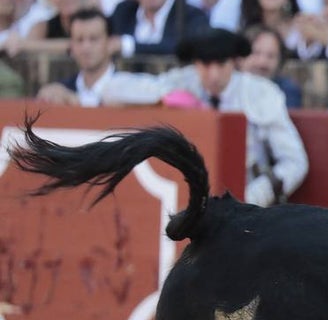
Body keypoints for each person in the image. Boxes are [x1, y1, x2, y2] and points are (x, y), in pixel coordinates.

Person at [101, 27, 309, 206]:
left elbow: (295, 161)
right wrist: (165, 97)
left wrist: (253, 196)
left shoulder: (260, 92)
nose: (213, 75)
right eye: (205, 65)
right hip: (190, 200)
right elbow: (111, 90)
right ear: (195, 64)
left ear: (234, 62)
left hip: (248, 202)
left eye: (221, 65)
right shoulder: (184, 81)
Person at [35, 6, 117, 105]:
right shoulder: (61, 89)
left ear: (110, 43)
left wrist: (79, 101)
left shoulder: (127, 87)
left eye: (94, 39)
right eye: (79, 40)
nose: (86, 47)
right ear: (71, 46)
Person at [239, 23, 303, 107]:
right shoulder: (227, 87)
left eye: (271, 56)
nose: (262, 62)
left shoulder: (288, 91)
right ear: (240, 58)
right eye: (256, 53)